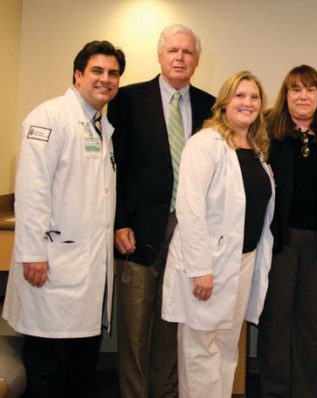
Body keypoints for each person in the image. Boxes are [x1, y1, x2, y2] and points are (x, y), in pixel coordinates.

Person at [2, 40, 125, 397]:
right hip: (52, 264)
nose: (106, 79)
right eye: (97, 71)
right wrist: (33, 252)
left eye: (113, 73)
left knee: (79, 365)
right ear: (77, 75)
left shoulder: (101, 127)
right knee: (48, 367)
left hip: (85, 269)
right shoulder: (50, 117)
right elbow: (31, 189)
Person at [107, 24, 215, 398]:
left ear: (197, 61)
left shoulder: (210, 105)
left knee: (173, 322)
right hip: (138, 230)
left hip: (187, 230)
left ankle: (165, 393)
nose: (179, 58)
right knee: (135, 330)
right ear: (159, 55)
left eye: (187, 52)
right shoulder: (127, 99)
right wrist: (120, 222)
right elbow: (113, 165)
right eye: (172, 51)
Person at [161, 71, 274, 398]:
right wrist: (201, 269)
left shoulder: (255, 149)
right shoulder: (204, 144)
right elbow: (190, 210)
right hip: (209, 265)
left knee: (226, 349)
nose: (248, 103)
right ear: (224, 102)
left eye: (254, 97)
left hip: (242, 263)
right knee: (200, 352)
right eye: (240, 96)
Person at [258, 65, 317, 398]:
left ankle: (308, 393)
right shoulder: (266, 131)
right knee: (276, 325)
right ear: (286, 95)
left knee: (313, 328)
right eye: (295, 89)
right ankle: (275, 392)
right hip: (280, 243)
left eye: (311, 89)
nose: (303, 95)